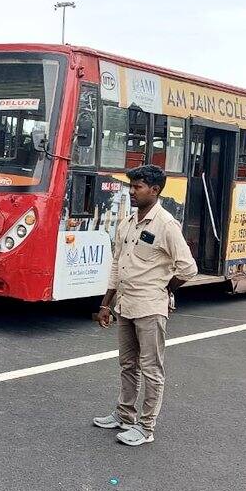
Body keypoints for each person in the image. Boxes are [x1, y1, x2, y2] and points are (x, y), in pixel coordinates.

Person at [93, 164, 197, 446]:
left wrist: (166, 289)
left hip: (150, 307)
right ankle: (124, 415)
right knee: (127, 364)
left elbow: (188, 268)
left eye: (137, 187)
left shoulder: (166, 225)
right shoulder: (127, 223)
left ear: (155, 190)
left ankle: (146, 427)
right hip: (125, 305)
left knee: (152, 369)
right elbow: (117, 264)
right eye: (131, 186)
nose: (132, 192)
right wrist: (106, 304)